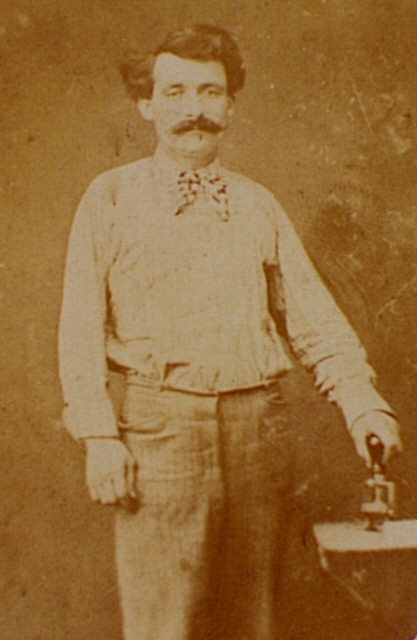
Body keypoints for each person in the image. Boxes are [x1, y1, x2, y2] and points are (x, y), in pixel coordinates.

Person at [58, 24, 402, 640]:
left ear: (232, 105)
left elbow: (315, 322)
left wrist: (363, 405)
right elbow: (79, 327)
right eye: (175, 92)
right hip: (160, 436)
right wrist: (99, 436)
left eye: (211, 92)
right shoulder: (110, 197)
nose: (194, 110)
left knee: (255, 623)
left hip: (258, 437)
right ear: (146, 104)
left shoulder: (257, 204)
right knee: (166, 626)